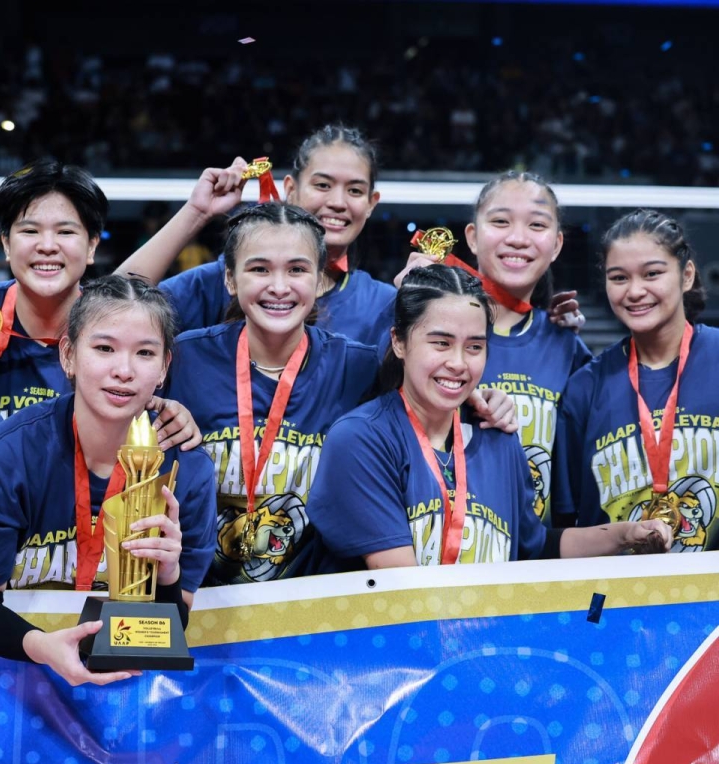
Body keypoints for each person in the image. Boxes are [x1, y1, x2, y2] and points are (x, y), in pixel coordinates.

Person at [307, 265, 669, 573]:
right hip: (405, 653)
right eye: (441, 343)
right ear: (399, 342)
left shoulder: (498, 435)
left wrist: (624, 535)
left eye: (475, 346)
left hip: (489, 649)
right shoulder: (361, 440)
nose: (459, 363)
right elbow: (402, 590)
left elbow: (535, 545)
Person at [0, 276, 217, 687]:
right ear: (69, 355)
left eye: (145, 353)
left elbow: (170, 622)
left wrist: (168, 576)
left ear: (164, 367)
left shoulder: (189, 471)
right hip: (20, 679)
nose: (123, 370)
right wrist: (43, 647)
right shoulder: (7, 455)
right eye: (104, 348)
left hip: (130, 689)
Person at [0, 143, 201, 448]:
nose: (47, 245)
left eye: (65, 232)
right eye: (30, 231)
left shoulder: (112, 331)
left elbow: (121, 299)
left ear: (91, 246)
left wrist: (166, 413)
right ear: (5, 244)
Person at [163, 203, 379, 584]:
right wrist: (155, 404)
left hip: (307, 609)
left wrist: (476, 401)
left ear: (318, 279)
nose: (279, 287)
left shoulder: (358, 367)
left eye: (297, 269)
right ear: (230, 279)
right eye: (259, 269)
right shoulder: (184, 359)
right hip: (198, 600)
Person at [402, 172, 592, 522]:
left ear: (557, 244)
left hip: (535, 551)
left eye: (537, 225)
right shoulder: (419, 330)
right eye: (501, 221)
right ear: (472, 237)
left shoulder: (569, 347)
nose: (518, 238)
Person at [121, 125, 398, 345]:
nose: (338, 201)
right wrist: (197, 212)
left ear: (372, 202)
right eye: (323, 184)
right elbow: (111, 305)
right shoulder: (227, 279)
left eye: (355, 190)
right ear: (291, 189)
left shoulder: (383, 304)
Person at [556, 210, 719, 552]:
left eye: (652, 274)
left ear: (686, 275)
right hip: (621, 600)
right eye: (619, 278)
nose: (635, 291)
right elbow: (566, 521)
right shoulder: (585, 387)